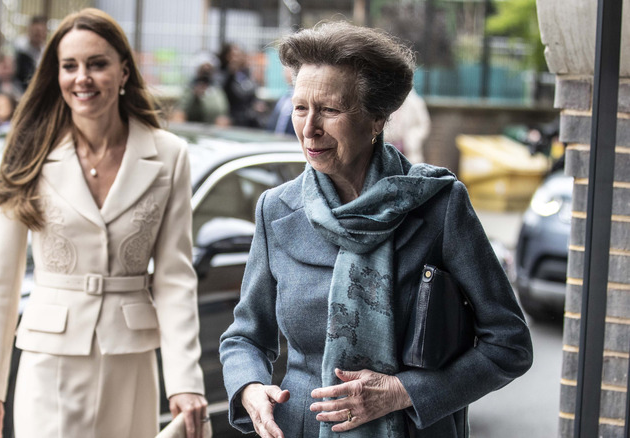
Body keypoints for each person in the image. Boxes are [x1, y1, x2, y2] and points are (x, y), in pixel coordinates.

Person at [219, 22, 533, 438]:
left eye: (330, 110)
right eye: (300, 108)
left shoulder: (439, 205)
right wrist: (250, 387)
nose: (309, 128)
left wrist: (403, 392)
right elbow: (244, 337)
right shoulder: (275, 210)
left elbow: (509, 344)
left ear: (377, 119)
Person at [0, 8, 208, 438]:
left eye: (97, 64)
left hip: (130, 360)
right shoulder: (29, 150)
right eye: (70, 66)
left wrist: (185, 380)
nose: (82, 78)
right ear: (56, 74)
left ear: (123, 72)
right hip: (49, 359)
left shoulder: (169, 155)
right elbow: (1, 280)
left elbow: (175, 278)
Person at [170, 53, 230, 126]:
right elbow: (180, 110)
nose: (206, 72)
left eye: (208, 69)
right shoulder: (189, 89)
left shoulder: (217, 91)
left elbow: (221, 112)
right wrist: (194, 96)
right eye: (203, 69)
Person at [217, 43, 265, 128]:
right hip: (232, 120)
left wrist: (257, 103)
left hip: (248, 119)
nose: (236, 58)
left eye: (239, 55)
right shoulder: (222, 74)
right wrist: (230, 72)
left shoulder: (245, 74)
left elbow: (251, 92)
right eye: (233, 55)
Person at [384, 89, 431, 164]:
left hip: (408, 152)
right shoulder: (385, 100)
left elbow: (424, 125)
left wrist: (411, 138)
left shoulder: (415, 102)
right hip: (386, 149)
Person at [14, 14, 48, 90]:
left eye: (41, 31)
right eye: (36, 32)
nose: (38, 35)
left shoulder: (46, 50)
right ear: (29, 30)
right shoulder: (19, 47)